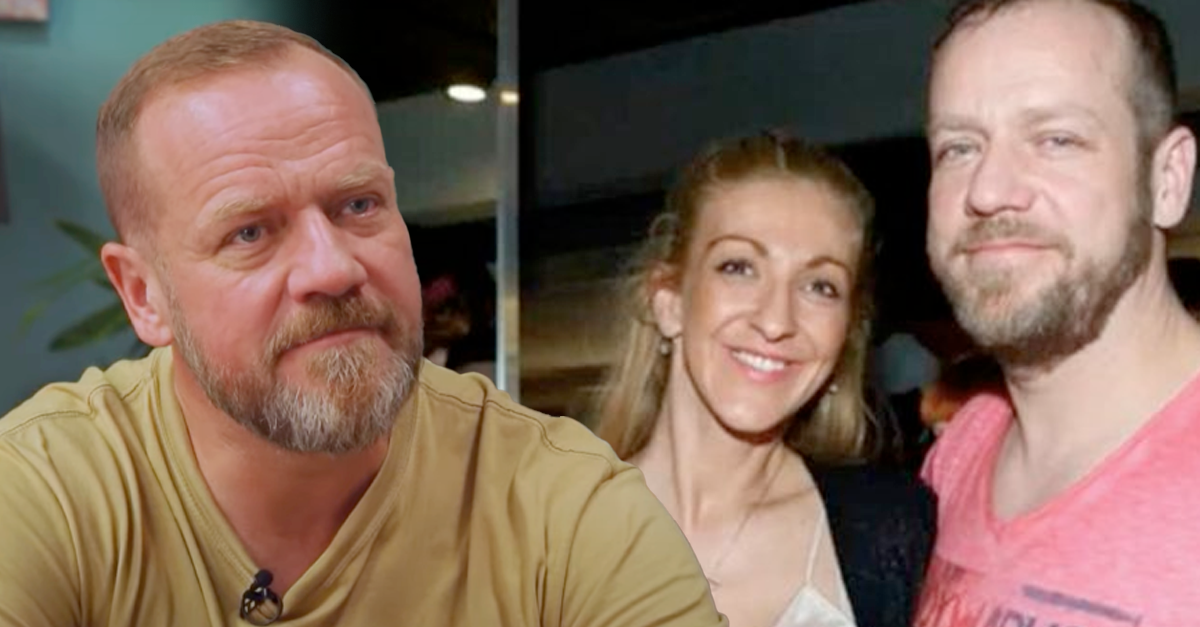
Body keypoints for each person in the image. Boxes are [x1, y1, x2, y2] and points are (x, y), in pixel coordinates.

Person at [0, 20, 727, 627]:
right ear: (143, 295)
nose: (332, 267)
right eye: (250, 232)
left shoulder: (559, 504)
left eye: (358, 205)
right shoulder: (47, 491)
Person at [916, 1, 1200, 624]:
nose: (988, 191)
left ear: (1168, 179)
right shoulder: (963, 446)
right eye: (959, 148)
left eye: (1056, 140)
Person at [594, 132, 934, 627]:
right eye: (739, 267)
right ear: (669, 301)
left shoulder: (892, 531)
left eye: (820, 287)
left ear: (846, 332)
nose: (776, 321)